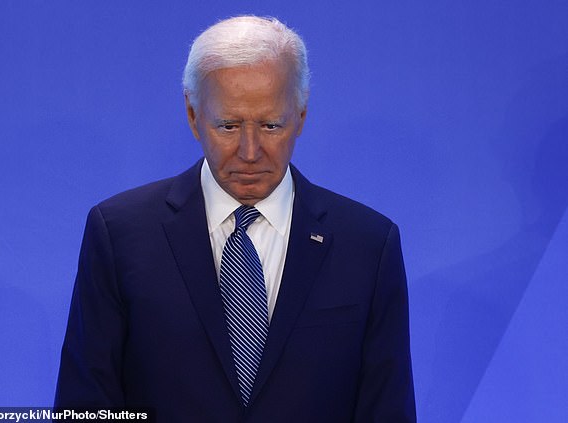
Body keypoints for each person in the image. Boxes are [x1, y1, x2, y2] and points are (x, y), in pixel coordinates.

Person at [55, 15, 416, 422]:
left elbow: (387, 409)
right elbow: (85, 406)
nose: (249, 151)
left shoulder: (367, 245)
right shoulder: (120, 233)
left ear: (301, 114)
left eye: (270, 125)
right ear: (193, 116)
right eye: (227, 125)